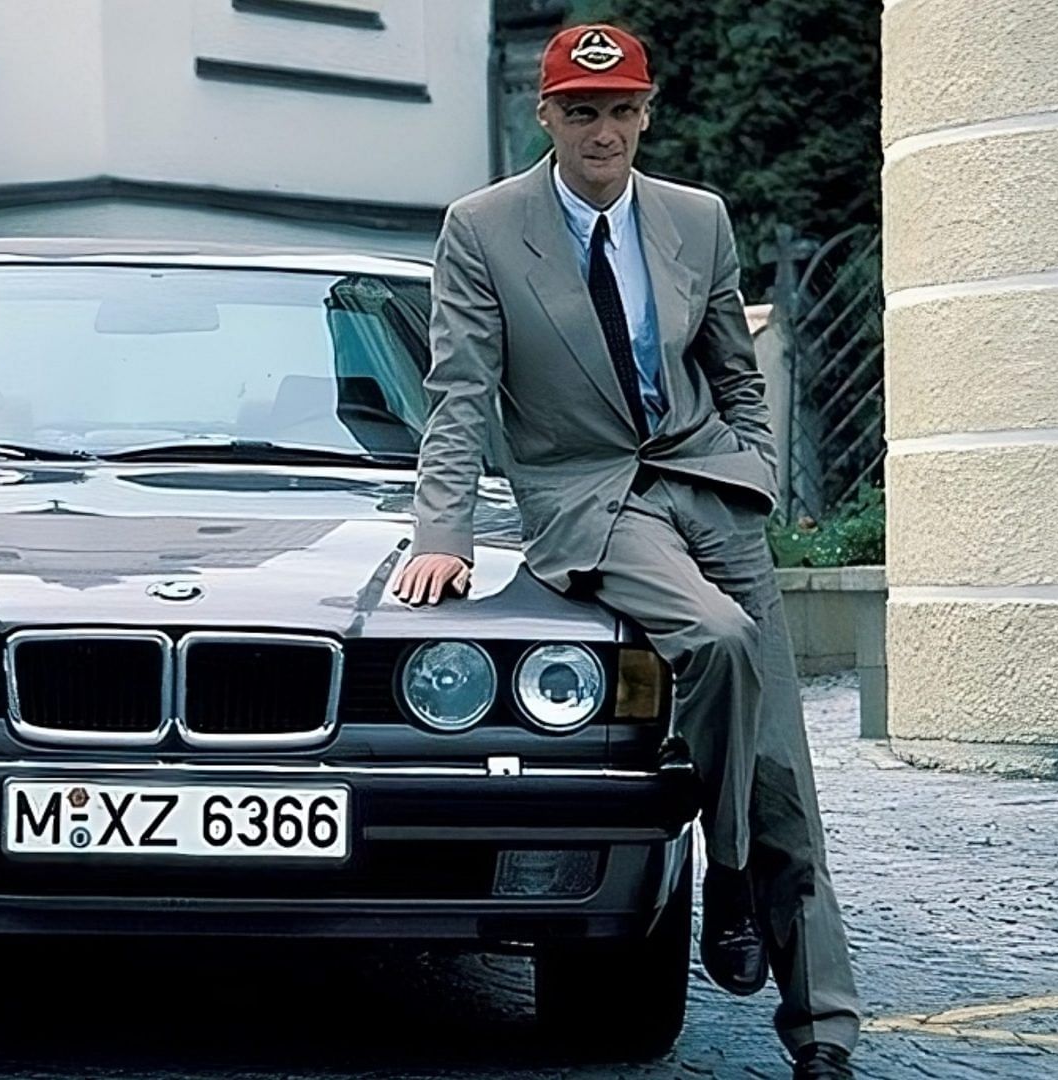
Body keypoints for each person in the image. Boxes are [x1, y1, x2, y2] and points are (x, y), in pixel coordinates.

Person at [387, 21, 861, 1079]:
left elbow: (735, 369)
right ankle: (727, 877)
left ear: (647, 113)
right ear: (545, 116)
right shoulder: (483, 227)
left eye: (623, 110)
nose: (605, 131)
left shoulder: (698, 217)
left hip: (712, 490)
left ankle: (823, 1036)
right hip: (595, 497)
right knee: (721, 639)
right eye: (582, 111)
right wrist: (442, 534)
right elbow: (459, 392)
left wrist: (756, 469)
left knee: (784, 767)